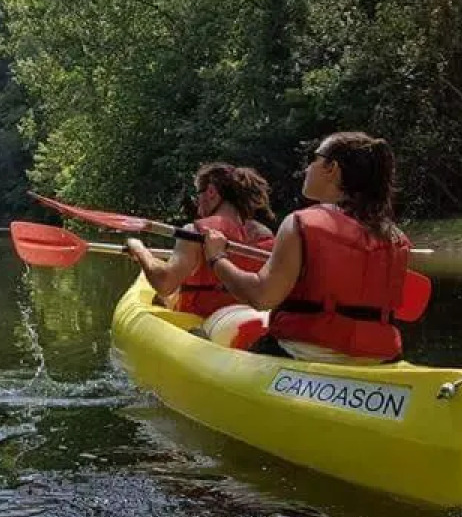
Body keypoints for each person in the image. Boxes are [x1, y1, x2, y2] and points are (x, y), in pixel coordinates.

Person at [201, 133, 411, 361]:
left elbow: (261, 296)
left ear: (332, 168)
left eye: (313, 159)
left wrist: (217, 258)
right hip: (380, 358)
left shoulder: (300, 223)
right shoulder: (396, 239)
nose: (307, 168)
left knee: (203, 339)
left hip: (303, 352)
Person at [125, 163, 276, 316]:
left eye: (198, 196)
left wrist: (139, 250)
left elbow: (164, 283)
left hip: (200, 321)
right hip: (247, 319)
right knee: (164, 298)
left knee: (163, 296)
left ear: (211, 192)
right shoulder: (264, 235)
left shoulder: (195, 232)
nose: (197, 207)